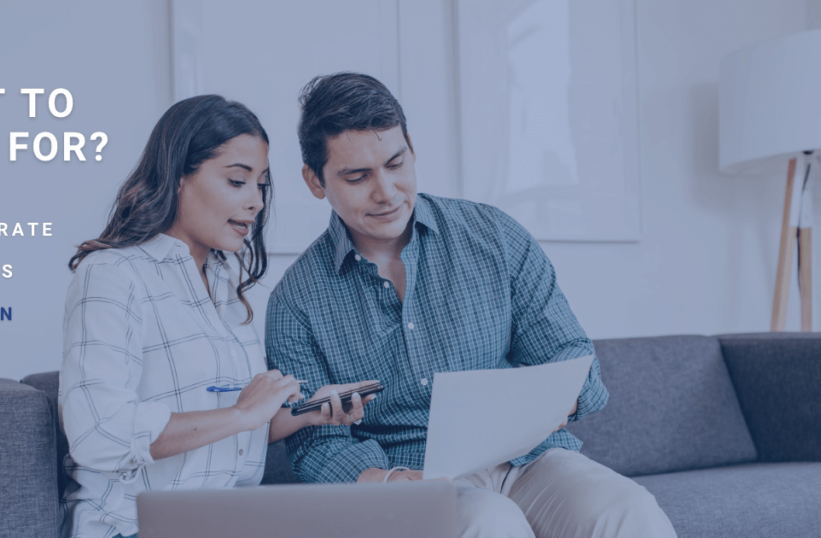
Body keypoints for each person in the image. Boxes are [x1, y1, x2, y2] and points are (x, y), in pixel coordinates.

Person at [265, 73, 677, 538]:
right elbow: (316, 444)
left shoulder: (493, 236)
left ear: (412, 149)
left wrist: (553, 397)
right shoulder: (295, 302)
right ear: (315, 181)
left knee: (625, 509)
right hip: (411, 479)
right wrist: (387, 481)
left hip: (531, 459)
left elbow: (573, 358)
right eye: (358, 177)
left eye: (395, 163)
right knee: (489, 523)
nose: (386, 191)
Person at [59, 94, 376, 538]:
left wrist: (305, 413)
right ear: (177, 179)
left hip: (226, 521)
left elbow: (229, 436)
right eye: (236, 181)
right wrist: (242, 414)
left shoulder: (225, 286)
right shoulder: (112, 275)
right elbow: (99, 434)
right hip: (132, 528)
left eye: (260, 184)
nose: (256, 202)